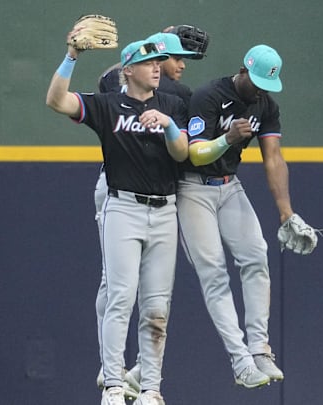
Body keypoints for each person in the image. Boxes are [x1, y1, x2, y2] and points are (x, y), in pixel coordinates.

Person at [46, 26, 190, 405]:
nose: (156, 68)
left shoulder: (171, 105)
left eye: (158, 61)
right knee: (121, 298)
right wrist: (72, 56)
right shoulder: (108, 105)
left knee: (157, 307)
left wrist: (169, 124)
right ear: (127, 70)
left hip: (164, 211)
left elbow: (181, 153)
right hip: (123, 208)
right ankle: (112, 384)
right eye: (147, 62)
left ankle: (151, 389)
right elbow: (56, 101)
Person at [90, 28, 209, 399]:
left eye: (174, 60)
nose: (177, 67)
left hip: (160, 196)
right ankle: (113, 373)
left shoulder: (180, 98)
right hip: (119, 189)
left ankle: (141, 378)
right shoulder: (126, 83)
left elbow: (185, 149)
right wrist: (157, 41)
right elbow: (113, 78)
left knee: (152, 300)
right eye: (173, 58)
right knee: (117, 289)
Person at [177, 44, 304, 388]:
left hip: (228, 185)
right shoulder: (209, 96)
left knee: (256, 256)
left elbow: (274, 158)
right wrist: (227, 138)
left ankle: (259, 347)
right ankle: (240, 360)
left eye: (268, 83)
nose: (261, 89)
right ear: (244, 70)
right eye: (258, 80)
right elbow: (194, 153)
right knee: (214, 273)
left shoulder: (266, 105)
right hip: (193, 187)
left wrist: (286, 213)